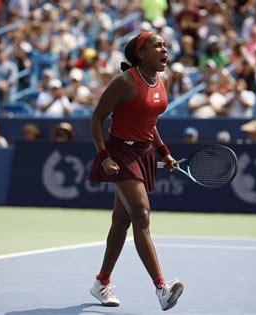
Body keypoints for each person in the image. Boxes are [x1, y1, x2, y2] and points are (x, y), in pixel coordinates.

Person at [87, 32, 184, 311]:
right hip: (119, 152)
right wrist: (104, 157)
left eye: (166, 45)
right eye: (157, 45)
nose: (164, 49)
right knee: (141, 214)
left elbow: (148, 120)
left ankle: (101, 282)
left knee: (122, 222)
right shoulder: (124, 82)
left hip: (143, 154)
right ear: (141, 53)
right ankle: (162, 288)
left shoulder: (158, 81)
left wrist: (164, 152)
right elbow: (96, 118)